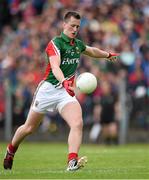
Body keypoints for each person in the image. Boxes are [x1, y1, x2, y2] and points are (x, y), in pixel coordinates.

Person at [3, 11, 119, 171]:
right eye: (72, 25)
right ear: (64, 24)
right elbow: (55, 66)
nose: (75, 29)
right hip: (48, 90)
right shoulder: (55, 43)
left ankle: (72, 161)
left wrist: (107, 55)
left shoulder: (77, 44)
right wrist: (64, 81)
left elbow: (91, 51)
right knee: (29, 128)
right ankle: (11, 150)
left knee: (77, 123)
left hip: (65, 92)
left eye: (77, 27)